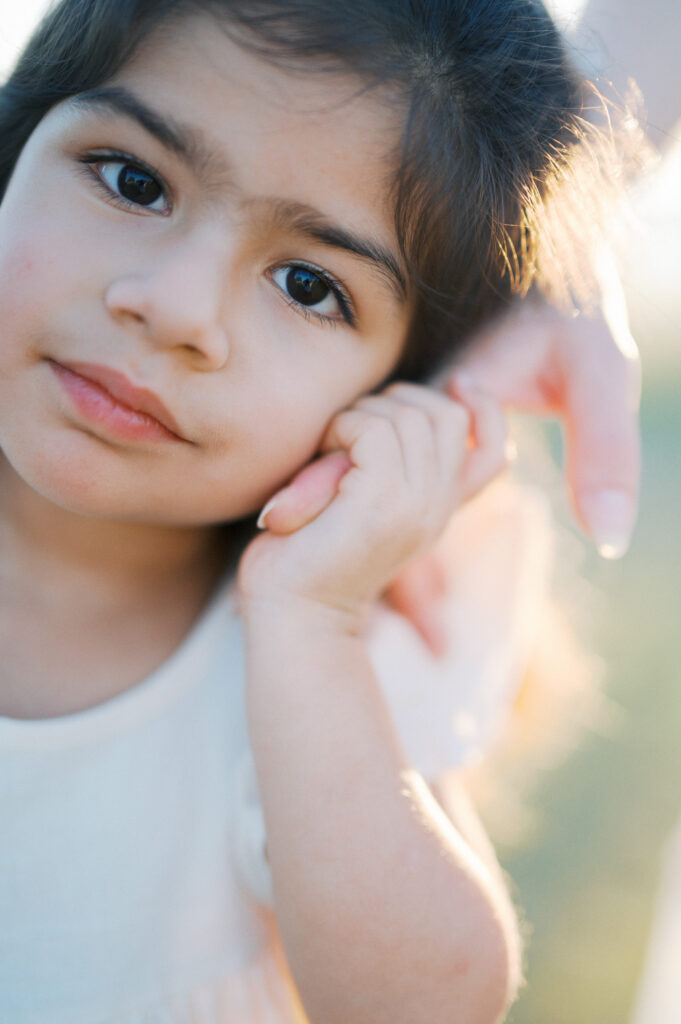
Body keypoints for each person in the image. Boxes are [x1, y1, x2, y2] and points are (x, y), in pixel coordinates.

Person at [0, 1, 632, 1021]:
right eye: (134, 180)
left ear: (397, 397)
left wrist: (309, 619)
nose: (176, 308)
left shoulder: (322, 674)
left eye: (308, 285)